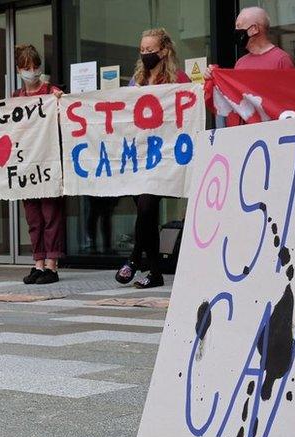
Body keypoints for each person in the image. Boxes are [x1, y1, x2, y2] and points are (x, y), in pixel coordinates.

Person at [114, 28, 190, 290]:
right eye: (142, 50)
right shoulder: (137, 80)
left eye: (150, 50)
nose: (146, 54)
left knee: (146, 208)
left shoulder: (178, 79)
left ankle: (137, 259)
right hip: (139, 154)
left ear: (164, 51)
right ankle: (152, 271)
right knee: (145, 213)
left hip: (164, 155)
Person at [13, 44, 65, 285]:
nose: (31, 72)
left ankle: (52, 265)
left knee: (50, 213)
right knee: (33, 217)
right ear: (18, 69)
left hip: (47, 162)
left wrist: (58, 102)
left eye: (34, 67)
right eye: (26, 68)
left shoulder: (50, 92)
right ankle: (38, 263)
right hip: (26, 165)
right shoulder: (15, 98)